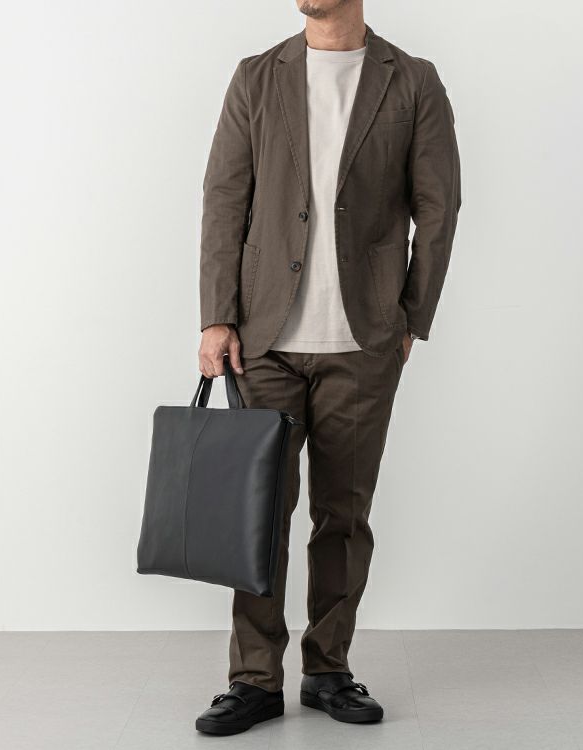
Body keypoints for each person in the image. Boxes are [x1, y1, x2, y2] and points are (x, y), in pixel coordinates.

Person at [195, 0, 461, 735]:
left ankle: (328, 670)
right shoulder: (257, 77)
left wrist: (410, 319)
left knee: (343, 517)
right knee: (258, 516)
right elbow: (225, 198)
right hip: (263, 341)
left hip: (365, 340)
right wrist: (216, 316)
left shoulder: (412, 81)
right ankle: (253, 679)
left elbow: (439, 207)